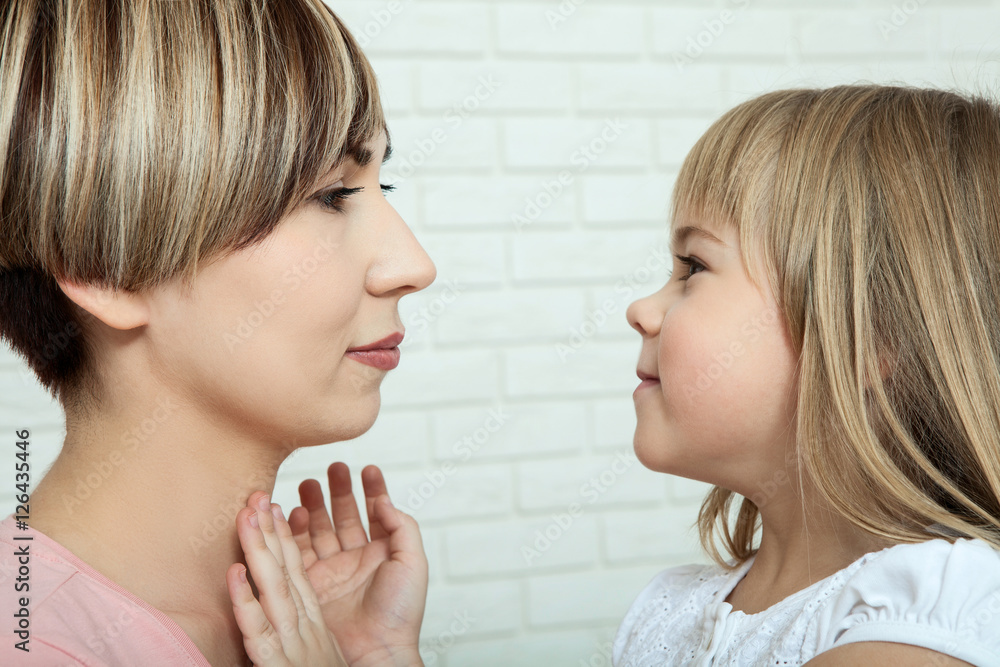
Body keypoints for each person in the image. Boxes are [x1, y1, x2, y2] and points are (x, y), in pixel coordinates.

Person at [0, 1, 433, 665]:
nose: (415, 267)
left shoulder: (318, 626)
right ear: (107, 269)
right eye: (333, 195)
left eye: (384, 183)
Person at [617, 85, 1000, 666]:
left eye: (692, 267)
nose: (641, 310)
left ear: (866, 338)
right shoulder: (669, 609)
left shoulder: (925, 619)